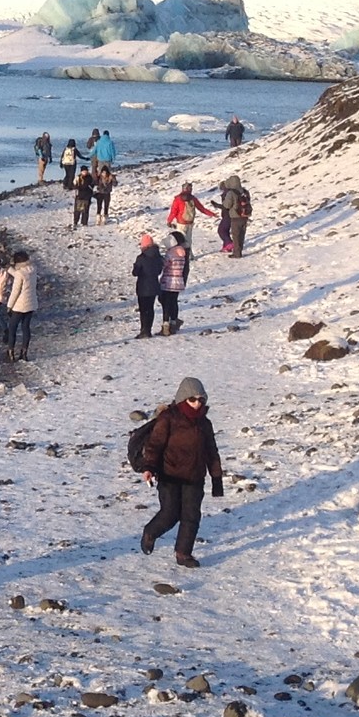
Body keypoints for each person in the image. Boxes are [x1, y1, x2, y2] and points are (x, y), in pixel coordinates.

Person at [138, 377, 224, 568]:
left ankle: (183, 553)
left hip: (195, 478)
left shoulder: (204, 423)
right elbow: (154, 445)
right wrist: (148, 468)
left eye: (201, 400)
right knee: (170, 513)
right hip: (170, 476)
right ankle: (150, 532)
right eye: (192, 399)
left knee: (191, 516)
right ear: (183, 399)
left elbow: (212, 451)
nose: (197, 404)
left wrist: (216, 478)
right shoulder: (168, 419)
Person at [3, 249, 38, 360]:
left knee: (12, 328)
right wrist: (11, 270)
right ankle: (24, 353)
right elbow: (23, 276)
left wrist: (9, 306)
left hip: (19, 305)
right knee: (26, 328)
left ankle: (10, 353)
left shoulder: (19, 273)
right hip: (31, 304)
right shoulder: (33, 269)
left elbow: (15, 291)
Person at [131, 231, 164, 339]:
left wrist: (136, 267)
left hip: (142, 287)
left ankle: (143, 330)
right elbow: (159, 271)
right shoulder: (158, 257)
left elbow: (135, 273)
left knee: (143, 309)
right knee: (150, 309)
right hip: (154, 286)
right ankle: (148, 330)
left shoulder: (141, 258)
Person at [157, 230, 190, 335]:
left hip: (168, 280)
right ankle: (174, 322)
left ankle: (165, 324)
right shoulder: (183, 253)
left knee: (165, 302)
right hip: (178, 281)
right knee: (174, 301)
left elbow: (164, 265)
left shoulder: (170, 253)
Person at [168, 182, 216, 255]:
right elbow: (201, 208)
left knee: (181, 239)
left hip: (181, 222)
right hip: (190, 221)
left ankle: (182, 255)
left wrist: (169, 220)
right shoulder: (192, 198)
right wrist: (212, 214)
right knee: (188, 239)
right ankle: (190, 255)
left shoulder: (178, 199)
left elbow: (173, 211)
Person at [218, 174, 252, 257]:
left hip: (235, 216)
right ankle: (239, 250)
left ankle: (237, 253)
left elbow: (227, 205)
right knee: (242, 234)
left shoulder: (231, 193)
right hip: (245, 215)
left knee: (235, 235)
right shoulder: (245, 191)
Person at [70, 162, 94, 229]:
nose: (85, 172)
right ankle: (75, 222)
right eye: (83, 171)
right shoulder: (78, 178)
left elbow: (92, 185)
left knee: (86, 210)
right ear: (81, 172)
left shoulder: (90, 177)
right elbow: (74, 185)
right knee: (77, 210)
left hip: (87, 195)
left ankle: (84, 222)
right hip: (79, 195)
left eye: (85, 171)